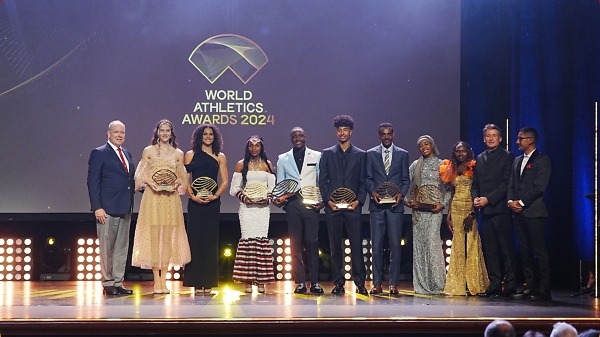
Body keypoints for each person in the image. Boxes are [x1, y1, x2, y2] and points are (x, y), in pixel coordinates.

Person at [131, 119, 191, 294]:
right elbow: (141, 175)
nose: (165, 133)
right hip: (153, 198)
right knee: (154, 238)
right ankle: (156, 280)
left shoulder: (178, 153)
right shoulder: (148, 151)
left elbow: (182, 178)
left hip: (170, 199)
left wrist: (175, 185)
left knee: (167, 239)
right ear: (157, 132)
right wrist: (151, 183)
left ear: (172, 133)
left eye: (168, 131)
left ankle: (164, 279)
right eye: (162, 130)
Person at [319, 115, 368, 295]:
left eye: (345, 130)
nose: (342, 133)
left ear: (351, 132)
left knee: (356, 245)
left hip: (353, 207)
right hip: (333, 208)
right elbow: (322, 180)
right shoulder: (327, 153)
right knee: (335, 247)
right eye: (339, 130)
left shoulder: (361, 155)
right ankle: (338, 282)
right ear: (336, 132)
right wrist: (328, 201)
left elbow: (364, 181)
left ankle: (360, 282)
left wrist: (358, 201)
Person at [87, 120, 136, 295]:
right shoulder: (99, 153)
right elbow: (93, 182)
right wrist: (97, 207)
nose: (119, 135)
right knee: (107, 247)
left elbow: (128, 180)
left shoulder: (127, 153)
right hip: (106, 209)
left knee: (122, 247)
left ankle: (117, 281)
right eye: (116, 132)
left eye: (122, 132)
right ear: (109, 133)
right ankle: (107, 282)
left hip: (125, 207)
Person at [274, 127, 324, 294]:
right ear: (291, 138)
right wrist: (280, 200)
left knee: (312, 241)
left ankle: (315, 282)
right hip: (292, 204)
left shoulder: (317, 156)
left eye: (300, 135)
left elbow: (321, 179)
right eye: (294, 135)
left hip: (311, 203)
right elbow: (281, 183)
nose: (297, 138)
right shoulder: (283, 158)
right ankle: (300, 282)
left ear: (305, 137)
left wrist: (322, 201)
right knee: (295, 244)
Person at [472, 124, 517, 298]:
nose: (491, 138)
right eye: (488, 136)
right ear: (484, 138)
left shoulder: (507, 157)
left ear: (500, 138)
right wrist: (476, 198)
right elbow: (476, 183)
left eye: (494, 135)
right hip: (485, 211)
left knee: (506, 248)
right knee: (490, 249)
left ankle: (511, 284)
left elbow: (505, 184)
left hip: (500, 209)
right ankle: (494, 283)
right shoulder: (480, 158)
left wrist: (488, 199)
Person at [507, 126, 552, 301]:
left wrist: (522, 202)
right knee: (524, 251)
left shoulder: (542, 160)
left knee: (539, 251)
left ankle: (543, 288)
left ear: (531, 140)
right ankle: (530, 285)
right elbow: (511, 183)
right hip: (518, 213)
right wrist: (511, 202)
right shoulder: (517, 160)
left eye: (521, 138)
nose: (518, 141)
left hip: (534, 212)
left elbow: (539, 187)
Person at [183, 124, 228, 294]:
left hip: (212, 203)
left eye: (211, 134)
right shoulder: (190, 155)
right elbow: (185, 178)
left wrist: (215, 196)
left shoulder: (220, 156)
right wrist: (192, 195)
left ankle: (208, 282)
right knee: (195, 240)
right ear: (199, 136)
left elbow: (224, 181)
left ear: (215, 137)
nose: (208, 137)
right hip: (195, 203)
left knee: (210, 242)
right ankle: (195, 280)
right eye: (205, 134)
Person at [365, 122, 410, 295]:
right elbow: (368, 178)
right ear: (379, 136)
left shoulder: (402, 154)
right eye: (383, 134)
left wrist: (401, 194)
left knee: (395, 247)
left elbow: (405, 179)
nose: (386, 137)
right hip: (377, 207)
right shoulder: (370, 154)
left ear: (393, 135)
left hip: (395, 207)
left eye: (389, 134)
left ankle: (393, 284)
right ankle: (376, 284)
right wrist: (372, 191)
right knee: (376, 246)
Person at [440, 141, 489, 296]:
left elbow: (478, 188)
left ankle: (474, 283)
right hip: (455, 208)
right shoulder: (451, 167)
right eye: (457, 151)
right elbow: (453, 191)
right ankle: (458, 284)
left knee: (472, 243)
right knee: (458, 245)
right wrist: (448, 214)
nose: (460, 154)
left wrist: (473, 212)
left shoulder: (474, 166)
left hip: (470, 207)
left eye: (463, 151)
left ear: (469, 151)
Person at [229, 135, 276, 293]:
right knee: (248, 241)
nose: (254, 148)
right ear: (247, 147)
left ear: (261, 147)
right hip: (246, 209)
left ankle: (261, 281)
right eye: (251, 145)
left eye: (257, 145)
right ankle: (247, 281)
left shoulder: (267, 165)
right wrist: (245, 198)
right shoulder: (241, 165)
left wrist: (267, 199)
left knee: (261, 241)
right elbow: (234, 189)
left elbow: (272, 189)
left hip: (262, 210)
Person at [405, 135, 449, 295]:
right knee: (420, 247)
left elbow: (451, 188)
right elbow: (403, 182)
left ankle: (437, 284)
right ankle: (422, 285)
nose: (423, 147)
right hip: (418, 213)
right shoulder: (415, 165)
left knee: (432, 245)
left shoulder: (442, 165)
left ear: (432, 145)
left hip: (434, 212)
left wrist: (442, 204)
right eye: (420, 146)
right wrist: (405, 201)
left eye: (426, 144)